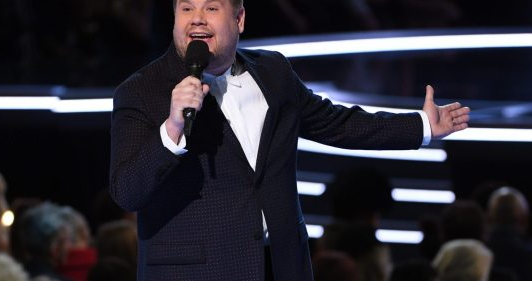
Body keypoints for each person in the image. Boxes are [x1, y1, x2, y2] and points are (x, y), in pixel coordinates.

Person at [109, 0, 470, 280]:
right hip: (195, 270)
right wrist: (173, 127)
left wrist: (421, 126)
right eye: (186, 8)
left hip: (280, 265)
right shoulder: (141, 91)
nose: (197, 18)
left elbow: (336, 123)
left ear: (239, 20)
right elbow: (127, 191)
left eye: (212, 8)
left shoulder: (274, 73)